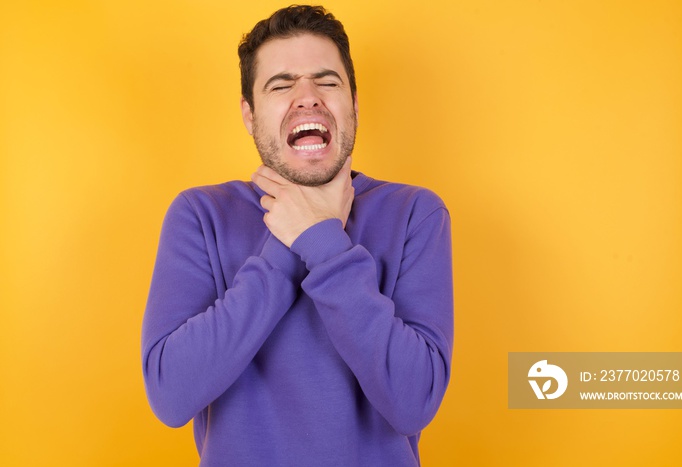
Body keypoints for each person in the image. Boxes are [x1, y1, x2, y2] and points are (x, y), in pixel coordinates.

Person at [141, 5, 453, 466]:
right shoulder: (200, 214)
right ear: (249, 115)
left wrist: (322, 241)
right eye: (281, 84)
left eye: (327, 81)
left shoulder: (415, 213)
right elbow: (170, 395)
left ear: (354, 104)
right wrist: (289, 243)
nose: (307, 97)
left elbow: (414, 401)